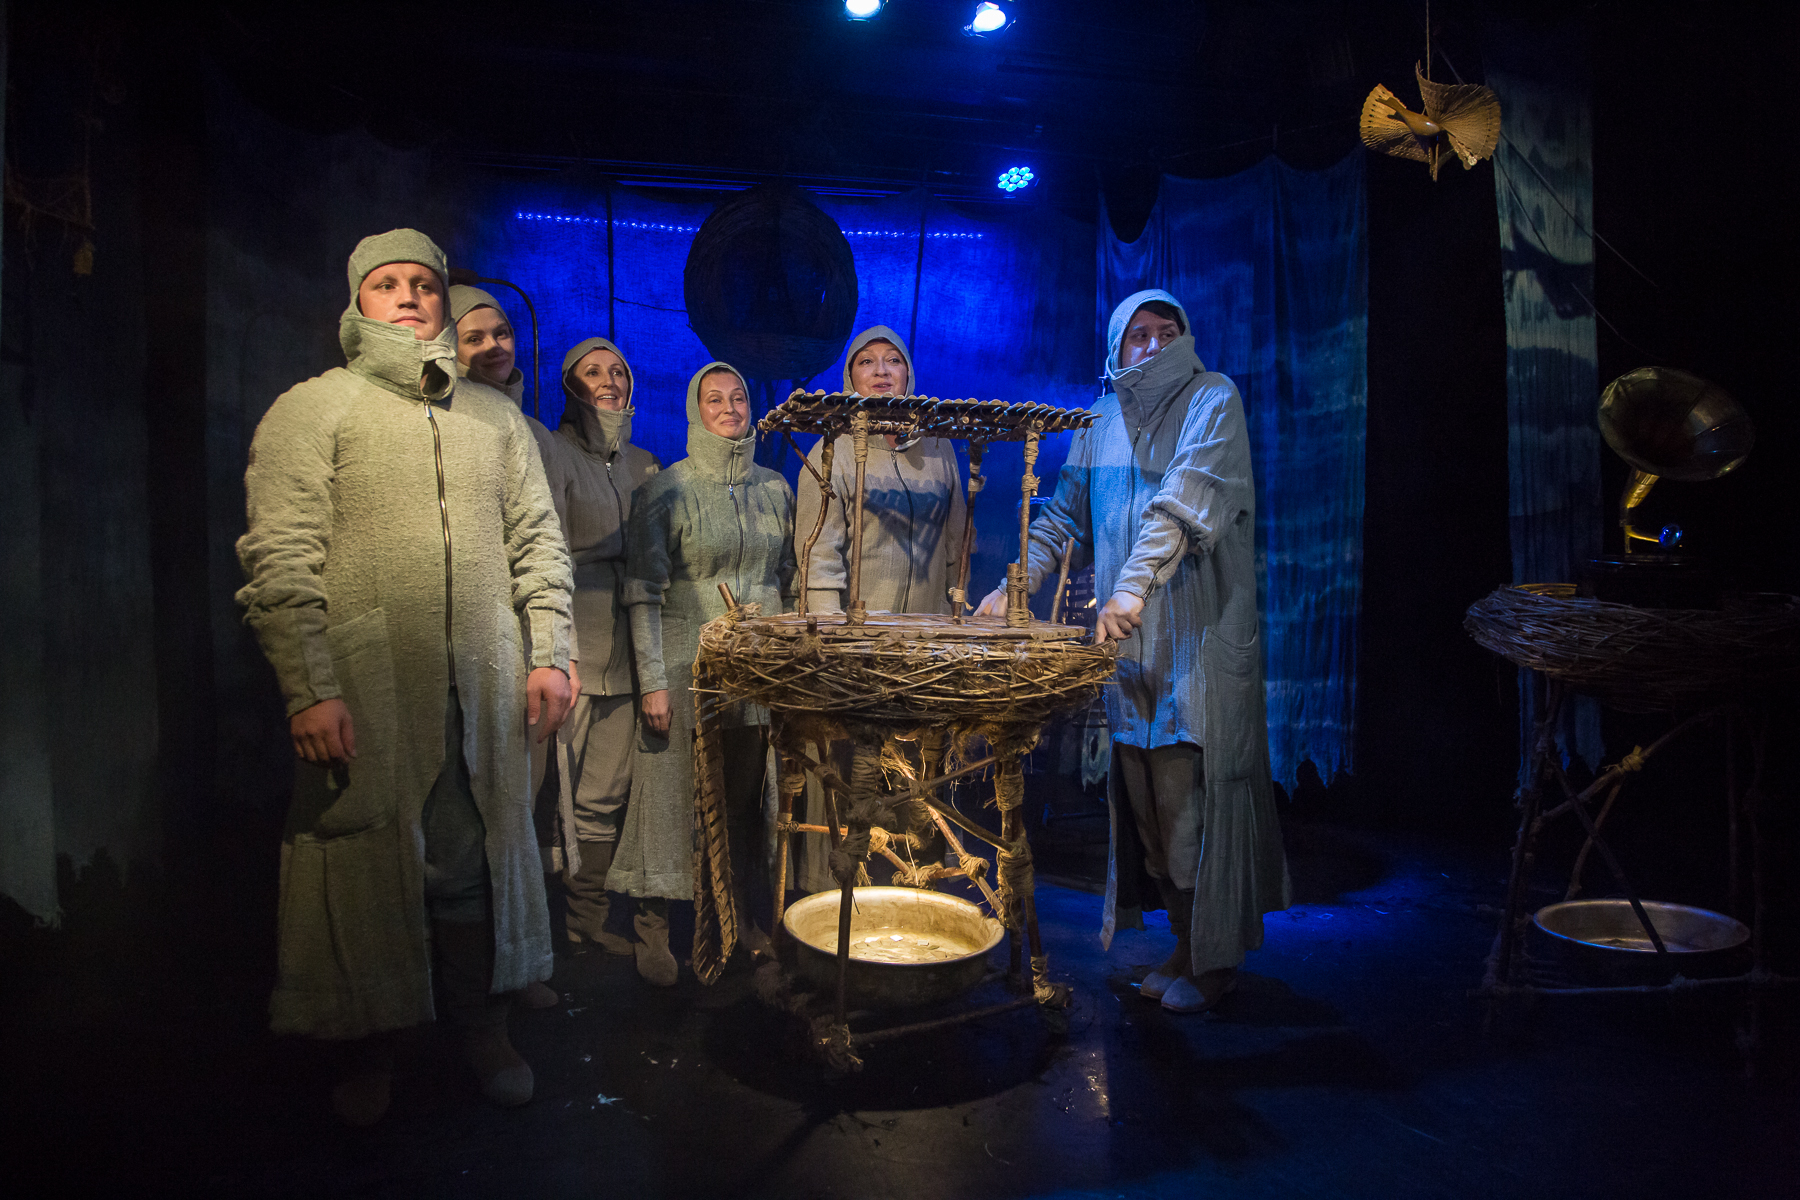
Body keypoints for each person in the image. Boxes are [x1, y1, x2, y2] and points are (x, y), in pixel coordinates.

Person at [236, 229, 574, 1125]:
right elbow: (280, 556)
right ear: (358, 303)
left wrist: (550, 654)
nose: (410, 297)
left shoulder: (493, 418)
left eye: (423, 283)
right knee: (367, 864)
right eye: (387, 284)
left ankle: (484, 1029)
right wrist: (309, 686)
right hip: (369, 684)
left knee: (473, 862)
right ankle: (369, 1043)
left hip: (483, 686)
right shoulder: (315, 408)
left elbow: (538, 543)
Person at [977, 288, 1290, 1015]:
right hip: (1129, 646)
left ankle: (1214, 961)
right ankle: (1185, 943)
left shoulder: (1213, 398)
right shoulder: (1100, 420)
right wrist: (1013, 586)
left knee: (1191, 802)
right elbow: (1063, 519)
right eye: (1138, 335)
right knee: (1148, 808)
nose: (1153, 345)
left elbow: (1183, 502)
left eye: (1166, 331)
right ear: (1116, 347)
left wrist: (1129, 587)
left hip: (1196, 642)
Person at [619, 363, 795, 966]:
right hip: (684, 666)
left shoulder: (775, 488)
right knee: (671, 799)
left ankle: (738, 920)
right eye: (714, 399)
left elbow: (788, 579)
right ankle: (654, 931)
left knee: (743, 803)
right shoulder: (666, 489)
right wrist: (652, 682)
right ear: (696, 411)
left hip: (756, 673)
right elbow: (643, 592)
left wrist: (788, 662)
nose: (729, 408)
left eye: (738, 396)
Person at [790, 326, 966, 891]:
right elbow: (819, 556)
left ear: (909, 374)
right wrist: (830, 644)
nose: (882, 370)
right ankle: (847, 899)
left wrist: (957, 619)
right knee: (858, 776)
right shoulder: (833, 450)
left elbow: (957, 544)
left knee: (920, 779)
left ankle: (917, 893)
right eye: (867, 362)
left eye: (894, 360)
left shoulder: (938, 448)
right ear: (851, 377)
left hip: (927, 646)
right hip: (859, 647)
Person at [534, 336, 665, 982]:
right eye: (592, 372)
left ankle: (585, 919)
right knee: (547, 791)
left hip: (629, 651)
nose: (609, 381)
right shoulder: (552, 453)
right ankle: (535, 931)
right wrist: (557, 651)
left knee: (604, 794)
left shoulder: (644, 464)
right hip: (572, 648)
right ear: (569, 386)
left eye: (618, 371)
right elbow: (545, 553)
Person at [448, 284, 524, 404]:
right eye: (474, 339)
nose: (494, 346)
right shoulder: (438, 414)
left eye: (501, 333)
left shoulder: (526, 418)